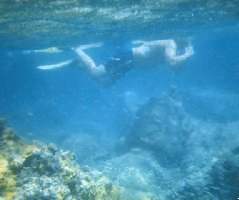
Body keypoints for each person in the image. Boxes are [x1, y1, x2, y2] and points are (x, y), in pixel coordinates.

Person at [32, 39, 194, 84]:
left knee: (104, 84)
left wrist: (186, 54)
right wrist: (188, 54)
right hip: (127, 56)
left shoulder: (177, 48)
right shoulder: (170, 43)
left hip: (130, 64)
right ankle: (76, 48)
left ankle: (77, 64)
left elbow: (175, 70)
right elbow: (172, 63)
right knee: (96, 74)